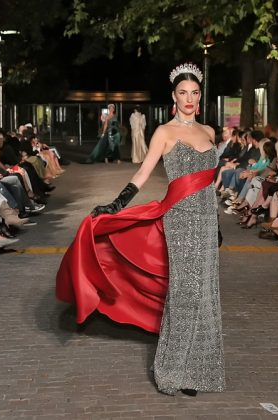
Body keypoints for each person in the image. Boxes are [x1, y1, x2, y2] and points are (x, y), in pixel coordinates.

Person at [57, 63, 224, 396]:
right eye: (182, 93)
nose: (189, 99)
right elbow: (143, 173)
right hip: (180, 218)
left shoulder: (208, 131)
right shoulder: (164, 132)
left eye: (194, 93)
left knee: (206, 293)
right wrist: (116, 204)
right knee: (184, 292)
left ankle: (199, 369)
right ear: (173, 96)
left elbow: (209, 185)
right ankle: (173, 369)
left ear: (200, 95)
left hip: (206, 219)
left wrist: (216, 222)